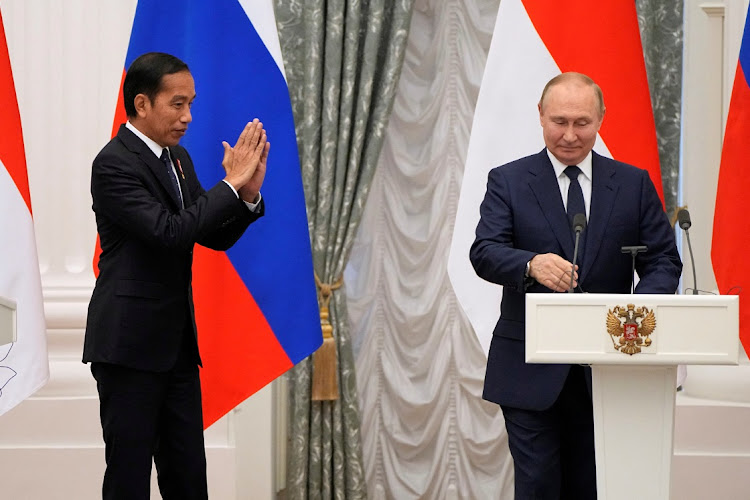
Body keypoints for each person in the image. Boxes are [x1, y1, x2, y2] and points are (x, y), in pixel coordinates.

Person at [469, 72, 682, 499]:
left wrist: (636, 314)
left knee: (597, 485)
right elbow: (485, 251)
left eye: (582, 122)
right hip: (528, 365)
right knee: (539, 486)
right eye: (559, 121)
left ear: (601, 119)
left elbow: (663, 260)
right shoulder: (508, 180)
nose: (569, 134)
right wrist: (529, 263)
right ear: (541, 117)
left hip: (611, 370)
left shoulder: (632, 183)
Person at [83, 52, 269, 500]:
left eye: (192, 104)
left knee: (188, 477)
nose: (188, 117)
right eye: (177, 104)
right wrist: (227, 186)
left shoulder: (178, 158)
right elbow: (168, 233)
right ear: (142, 104)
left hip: (177, 348)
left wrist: (245, 195)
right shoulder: (113, 164)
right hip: (127, 349)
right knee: (128, 478)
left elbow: (208, 235)